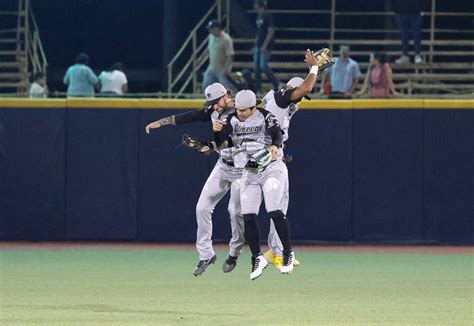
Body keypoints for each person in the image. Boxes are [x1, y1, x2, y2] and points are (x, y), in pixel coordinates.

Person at [145, 83, 246, 276]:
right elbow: (187, 117)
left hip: (243, 169)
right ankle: (206, 255)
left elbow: (236, 139)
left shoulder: (242, 111)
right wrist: (160, 122)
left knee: (235, 211)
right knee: (202, 207)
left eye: (217, 101)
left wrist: (211, 144)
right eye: (212, 102)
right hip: (224, 165)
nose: (214, 105)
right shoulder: (213, 110)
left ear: (226, 96)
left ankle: (234, 253)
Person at [214, 89, 294, 280]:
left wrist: (275, 144)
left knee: (274, 210)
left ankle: (287, 253)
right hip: (249, 171)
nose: (240, 113)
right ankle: (257, 257)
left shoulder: (265, 116)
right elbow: (223, 143)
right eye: (238, 109)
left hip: (271, 167)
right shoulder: (231, 120)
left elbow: (277, 133)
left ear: (254, 108)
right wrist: (216, 133)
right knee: (247, 214)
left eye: (244, 110)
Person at [253, 0, 280, 93]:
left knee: (263, 66)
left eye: (256, 5)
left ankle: (277, 84)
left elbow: (270, 31)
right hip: (258, 45)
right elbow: (258, 32)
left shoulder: (267, 15)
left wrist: (264, 45)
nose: (254, 7)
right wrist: (255, 45)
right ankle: (258, 88)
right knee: (256, 68)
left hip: (266, 46)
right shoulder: (258, 16)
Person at [202, 20, 234, 91]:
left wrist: (226, 69)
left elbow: (230, 55)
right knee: (205, 86)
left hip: (222, 69)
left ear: (216, 28)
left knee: (225, 89)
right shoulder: (211, 36)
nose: (209, 30)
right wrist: (201, 58)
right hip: (211, 68)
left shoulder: (226, 39)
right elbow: (208, 49)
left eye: (211, 29)